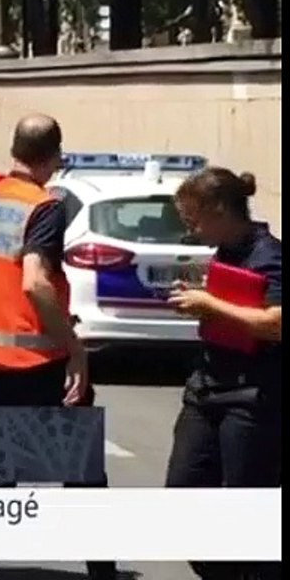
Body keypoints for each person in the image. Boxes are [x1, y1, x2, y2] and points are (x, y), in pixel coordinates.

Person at [0, 114, 115, 580]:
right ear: (55, 156)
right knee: (81, 468)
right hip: (38, 356)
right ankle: (102, 570)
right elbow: (36, 283)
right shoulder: (43, 207)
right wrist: (74, 347)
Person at [166, 168, 281, 580]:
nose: (190, 229)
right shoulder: (226, 252)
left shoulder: (268, 254)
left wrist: (210, 306)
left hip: (251, 398)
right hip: (207, 390)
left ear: (219, 211)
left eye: (193, 219)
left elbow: (275, 322)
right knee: (183, 498)